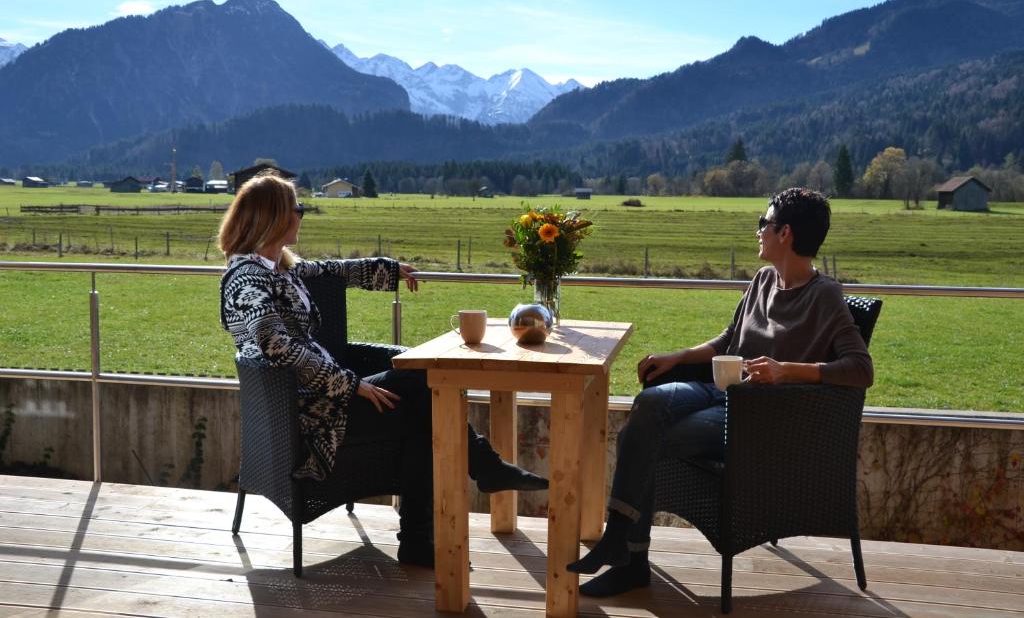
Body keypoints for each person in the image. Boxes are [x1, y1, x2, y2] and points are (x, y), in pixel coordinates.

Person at [218, 172, 547, 568]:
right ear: (271, 218)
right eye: (296, 208)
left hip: (323, 398)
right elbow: (274, 345)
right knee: (423, 384)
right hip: (307, 414)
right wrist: (349, 385)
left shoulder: (279, 269)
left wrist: (388, 271)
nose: (302, 215)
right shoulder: (247, 278)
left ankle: (425, 535)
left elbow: (332, 271)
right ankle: (480, 471)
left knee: (422, 408)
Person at [568, 187, 874, 597]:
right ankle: (621, 544)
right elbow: (730, 339)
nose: (758, 231)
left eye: (763, 223)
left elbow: (860, 369)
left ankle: (627, 553)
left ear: (785, 234)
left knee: (643, 439)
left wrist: (786, 371)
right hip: (720, 392)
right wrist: (679, 356)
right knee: (650, 403)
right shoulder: (763, 280)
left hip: (759, 417)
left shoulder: (826, 296)